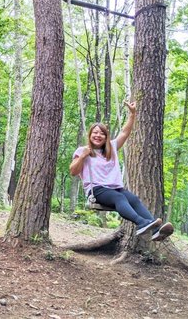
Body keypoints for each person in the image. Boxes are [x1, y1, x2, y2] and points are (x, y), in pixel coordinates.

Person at [69, 101, 174, 241]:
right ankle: (141, 223)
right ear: (89, 135)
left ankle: (156, 230)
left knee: (134, 199)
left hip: (116, 188)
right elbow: (73, 171)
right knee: (120, 198)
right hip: (97, 190)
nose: (98, 135)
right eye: (95, 133)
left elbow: (125, 132)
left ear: (106, 137)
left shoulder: (111, 148)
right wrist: (82, 156)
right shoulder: (83, 151)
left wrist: (132, 114)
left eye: (101, 133)